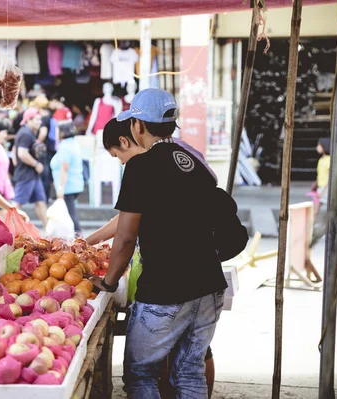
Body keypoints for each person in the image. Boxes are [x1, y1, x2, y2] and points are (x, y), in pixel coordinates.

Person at [90, 89, 247, 398]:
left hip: (166, 290)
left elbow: (125, 237)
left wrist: (108, 282)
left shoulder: (141, 166)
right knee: (189, 372)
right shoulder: (193, 158)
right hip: (209, 285)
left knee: (140, 375)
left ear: (137, 126)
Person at [13, 108, 48, 228]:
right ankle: (7, 228)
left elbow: (15, 150)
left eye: (40, 120)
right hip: (26, 175)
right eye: (37, 120)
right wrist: (36, 164)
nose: (39, 123)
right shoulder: (25, 133)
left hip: (32, 175)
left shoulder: (28, 133)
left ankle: (48, 231)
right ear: (28, 120)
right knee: (16, 205)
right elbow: (22, 153)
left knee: (40, 202)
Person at [50, 121, 84, 234]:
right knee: (70, 212)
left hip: (68, 185)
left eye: (57, 130)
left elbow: (65, 168)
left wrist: (61, 187)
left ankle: (79, 236)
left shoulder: (64, 146)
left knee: (70, 213)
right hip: (75, 183)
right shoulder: (73, 143)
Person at [313, 137, 337, 234]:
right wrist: (315, 184)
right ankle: (309, 231)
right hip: (320, 188)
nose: (317, 147)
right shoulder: (321, 160)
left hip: (327, 189)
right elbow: (320, 175)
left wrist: (323, 191)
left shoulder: (329, 160)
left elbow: (331, 177)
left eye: (319, 145)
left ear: (324, 147)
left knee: (336, 212)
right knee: (314, 210)